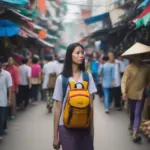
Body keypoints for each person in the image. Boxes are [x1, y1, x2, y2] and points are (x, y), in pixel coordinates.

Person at [53, 43, 97, 150]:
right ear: (69, 55)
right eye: (77, 53)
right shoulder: (61, 79)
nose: (81, 55)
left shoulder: (87, 76)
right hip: (66, 127)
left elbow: (91, 105)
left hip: (84, 127)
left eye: (82, 53)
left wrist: (92, 129)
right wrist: (55, 136)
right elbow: (58, 108)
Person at [121, 43, 150, 143]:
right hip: (130, 94)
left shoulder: (147, 68)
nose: (138, 57)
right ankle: (132, 123)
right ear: (133, 57)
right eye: (136, 56)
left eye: (140, 55)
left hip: (141, 95)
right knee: (132, 112)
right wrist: (124, 92)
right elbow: (124, 81)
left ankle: (135, 133)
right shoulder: (129, 68)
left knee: (138, 113)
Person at [0, 56, 12, 140]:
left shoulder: (6, 74)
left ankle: (0, 133)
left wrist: (9, 98)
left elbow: (9, 87)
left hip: (2, 100)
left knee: (1, 118)